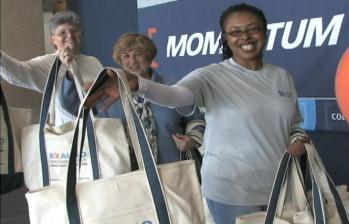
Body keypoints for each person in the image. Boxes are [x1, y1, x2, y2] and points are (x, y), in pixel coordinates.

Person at [86, 4, 309, 223]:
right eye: (236, 32)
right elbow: (176, 95)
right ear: (226, 37)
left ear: (265, 32)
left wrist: (298, 138)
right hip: (232, 192)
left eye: (253, 29)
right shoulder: (210, 76)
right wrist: (138, 84)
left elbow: (294, 123)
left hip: (281, 187)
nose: (245, 37)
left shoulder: (282, 77)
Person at [103, 33, 206, 166]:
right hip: (128, 176)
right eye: (126, 56)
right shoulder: (111, 95)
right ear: (120, 60)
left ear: (149, 56)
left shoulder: (172, 88)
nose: (132, 61)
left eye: (138, 54)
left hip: (174, 170)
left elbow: (197, 118)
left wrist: (191, 139)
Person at [0, 10, 103, 125]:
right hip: (69, 134)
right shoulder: (47, 63)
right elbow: (18, 73)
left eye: (74, 30)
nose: (69, 35)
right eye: (62, 33)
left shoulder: (93, 62)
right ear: (53, 40)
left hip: (99, 130)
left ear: (81, 34)